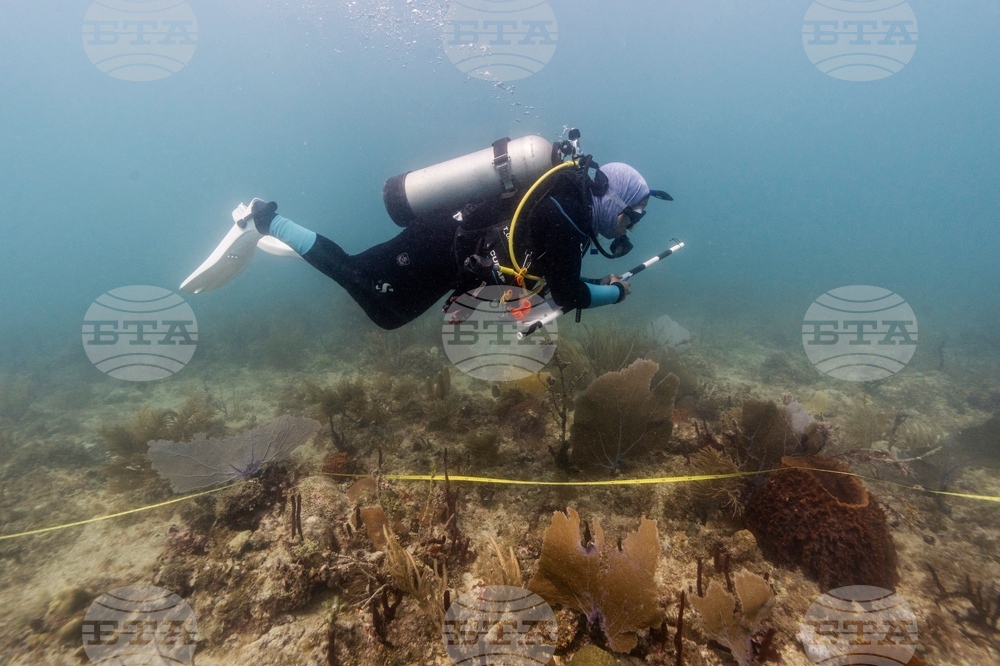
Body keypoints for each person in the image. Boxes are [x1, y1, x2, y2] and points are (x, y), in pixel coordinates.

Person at [182, 157, 670, 331]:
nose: (628, 228)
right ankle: (265, 220)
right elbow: (565, 293)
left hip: (447, 254)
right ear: (613, 199)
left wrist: (468, 296)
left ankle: (303, 246)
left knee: (389, 312)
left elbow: (523, 266)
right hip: (440, 242)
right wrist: (615, 293)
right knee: (376, 300)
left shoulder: (568, 209)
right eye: (632, 215)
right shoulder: (565, 213)